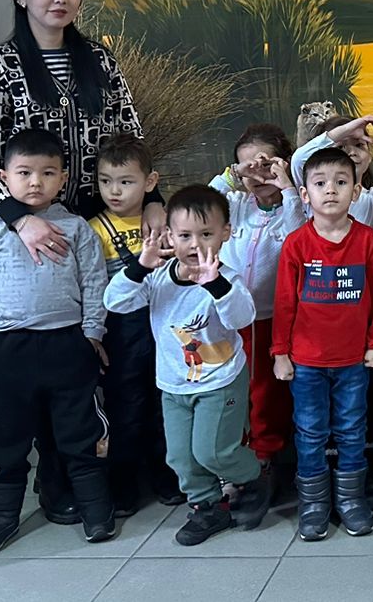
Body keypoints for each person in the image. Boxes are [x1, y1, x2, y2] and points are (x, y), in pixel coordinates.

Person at [0, 0, 167, 520]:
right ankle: (58, 486)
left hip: (103, 222)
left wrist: (152, 200)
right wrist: (22, 218)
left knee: (109, 355)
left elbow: (130, 134)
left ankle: (122, 473)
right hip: (38, 231)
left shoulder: (98, 60)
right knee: (58, 360)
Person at [0, 128, 114, 555]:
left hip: (67, 345)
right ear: (3, 176)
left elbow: (95, 283)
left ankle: (93, 505)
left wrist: (92, 334)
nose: (35, 182)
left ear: (64, 177)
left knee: (80, 429)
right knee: (3, 434)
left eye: (47, 172)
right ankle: (0, 514)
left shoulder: (76, 228)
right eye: (24, 172)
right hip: (6, 350)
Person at [104, 185, 271, 547]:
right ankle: (207, 506)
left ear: (225, 233)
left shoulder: (227, 278)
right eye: (185, 236)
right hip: (174, 385)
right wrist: (140, 266)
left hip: (220, 380)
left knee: (214, 451)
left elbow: (242, 316)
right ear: (169, 235)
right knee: (180, 456)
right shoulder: (157, 277)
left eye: (206, 234)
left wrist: (216, 285)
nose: (195, 245)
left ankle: (253, 476)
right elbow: (115, 302)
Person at [273, 147, 373, 540]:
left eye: (341, 182)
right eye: (320, 183)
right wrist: (280, 353)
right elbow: (284, 302)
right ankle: (313, 504)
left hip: (353, 361)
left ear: (355, 191)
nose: (330, 190)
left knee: (352, 429)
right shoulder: (296, 244)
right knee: (310, 431)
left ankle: (351, 499)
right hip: (306, 362)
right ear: (304, 194)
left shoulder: (368, 240)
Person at [208, 124, 305, 478]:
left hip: (270, 319)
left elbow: (299, 237)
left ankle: (266, 453)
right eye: (249, 167)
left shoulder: (295, 206)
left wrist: (287, 186)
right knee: (231, 388)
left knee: (266, 391)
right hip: (228, 318)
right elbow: (201, 206)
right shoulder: (234, 206)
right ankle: (234, 451)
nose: (259, 174)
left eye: (266, 165)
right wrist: (233, 176)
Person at [88, 135, 178, 516]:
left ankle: (167, 476)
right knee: (124, 408)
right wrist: (92, 334)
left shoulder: (162, 222)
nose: (114, 190)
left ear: (150, 182)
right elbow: (91, 288)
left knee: (164, 405)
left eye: (125, 181)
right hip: (119, 335)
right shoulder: (94, 228)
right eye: (106, 181)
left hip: (163, 329)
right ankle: (124, 484)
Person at [290, 112, 373, 226]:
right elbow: (299, 159)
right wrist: (346, 129)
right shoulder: (316, 192)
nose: (351, 152)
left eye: (359, 145)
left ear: (370, 156)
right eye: (340, 147)